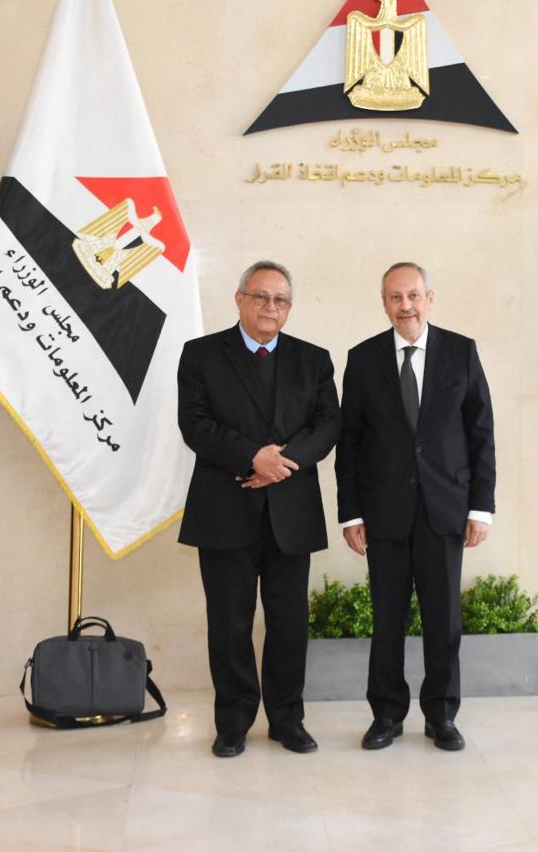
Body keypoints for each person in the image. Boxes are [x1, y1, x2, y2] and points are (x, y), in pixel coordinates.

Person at [177, 260, 339, 758]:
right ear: (240, 298)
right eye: (261, 296)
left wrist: (278, 465)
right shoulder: (201, 354)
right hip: (224, 509)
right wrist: (253, 457)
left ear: (289, 307)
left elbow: (327, 425)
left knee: (290, 625)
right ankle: (233, 723)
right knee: (229, 623)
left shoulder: (314, 359)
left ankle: (288, 720)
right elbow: (194, 424)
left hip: (292, 514)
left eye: (281, 299)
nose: (271, 306)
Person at [336, 261, 495, 752]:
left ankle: (441, 715)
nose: (405, 305)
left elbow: (481, 433)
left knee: (444, 621)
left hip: (445, 509)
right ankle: (386, 714)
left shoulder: (461, 352)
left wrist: (481, 508)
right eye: (394, 297)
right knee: (387, 621)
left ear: (429, 299)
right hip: (384, 513)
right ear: (384, 303)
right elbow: (349, 443)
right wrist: (351, 513)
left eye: (413, 296)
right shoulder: (363, 359)